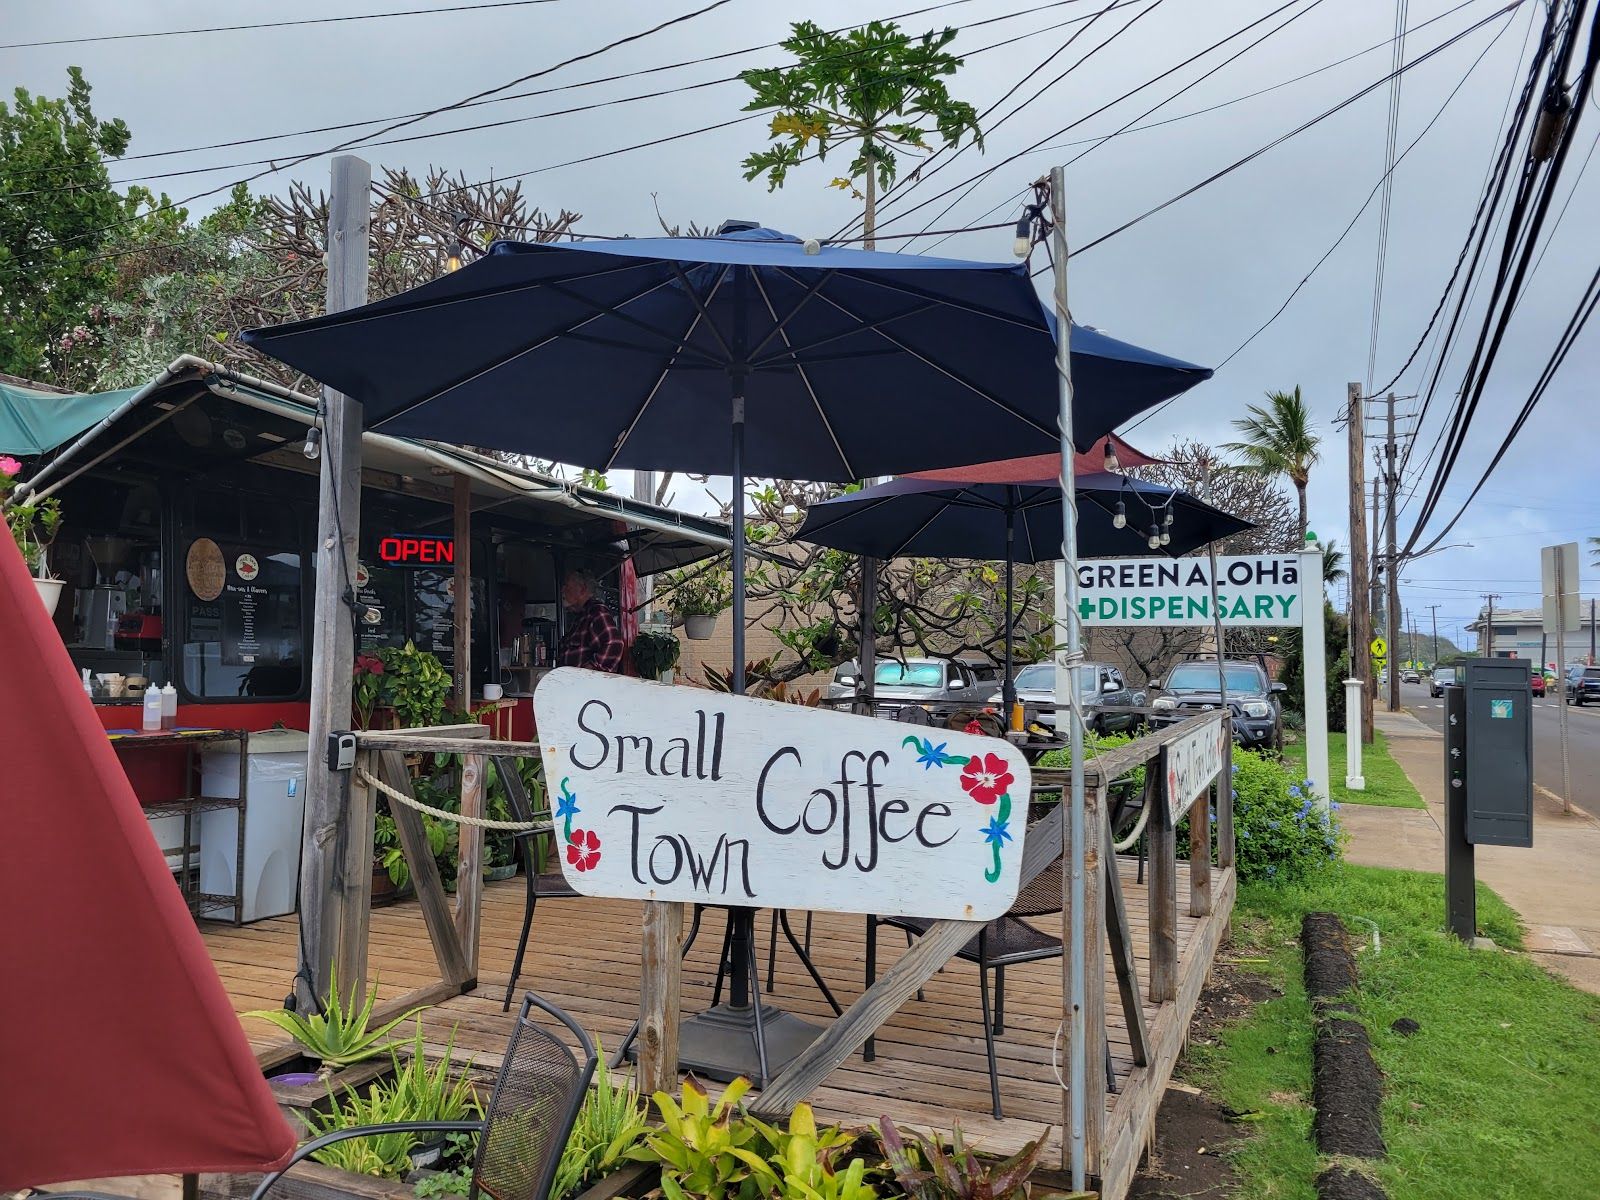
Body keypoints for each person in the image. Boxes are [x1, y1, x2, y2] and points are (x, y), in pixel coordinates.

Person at [557, 567, 624, 672]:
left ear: (582, 589)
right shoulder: (580, 617)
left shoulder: (596, 612)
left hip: (585, 686)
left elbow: (614, 643)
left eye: (567, 586)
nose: (563, 590)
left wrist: (590, 670)